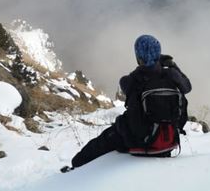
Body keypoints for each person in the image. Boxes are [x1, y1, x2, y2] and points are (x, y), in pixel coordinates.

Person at [61, 35, 191, 172]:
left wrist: (143, 68)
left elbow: (124, 83)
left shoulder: (134, 79)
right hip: (169, 139)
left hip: (141, 141)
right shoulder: (171, 75)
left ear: (138, 57)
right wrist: (172, 66)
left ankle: (75, 167)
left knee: (102, 142)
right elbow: (187, 87)